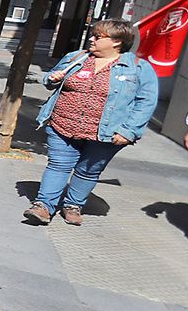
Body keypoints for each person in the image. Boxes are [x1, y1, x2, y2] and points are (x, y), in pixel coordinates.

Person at [24, 19, 159, 226]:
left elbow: (146, 102)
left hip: (107, 133)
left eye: (98, 37)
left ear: (117, 42)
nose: (91, 39)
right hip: (62, 125)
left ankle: (73, 204)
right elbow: (49, 79)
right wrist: (53, 78)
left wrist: (129, 131)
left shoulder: (138, 68)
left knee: (89, 170)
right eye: (92, 35)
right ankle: (43, 206)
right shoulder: (76, 57)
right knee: (58, 165)